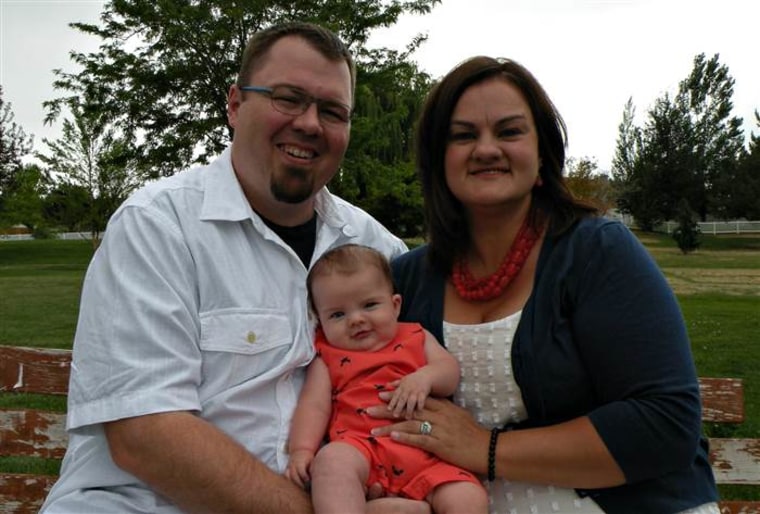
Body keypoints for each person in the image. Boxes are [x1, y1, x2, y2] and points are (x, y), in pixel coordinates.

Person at [41, 22, 407, 514]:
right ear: (235, 105)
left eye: (332, 111)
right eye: (288, 98)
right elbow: (144, 433)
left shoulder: (375, 247)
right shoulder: (158, 224)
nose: (310, 123)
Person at [369, 56, 720, 513]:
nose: (486, 148)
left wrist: (485, 448)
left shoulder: (597, 252)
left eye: (509, 131)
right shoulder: (407, 280)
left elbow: (666, 423)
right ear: (439, 160)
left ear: (541, 159)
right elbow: (362, 390)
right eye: (463, 135)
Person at [285, 244, 488, 514]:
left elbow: (449, 372)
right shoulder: (327, 354)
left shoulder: (415, 336)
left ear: (395, 306)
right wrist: (302, 450)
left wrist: (425, 377)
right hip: (359, 448)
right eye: (337, 314)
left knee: (468, 497)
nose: (356, 319)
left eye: (369, 305)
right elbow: (314, 406)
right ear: (320, 321)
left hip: (427, 453)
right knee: (331, 463)